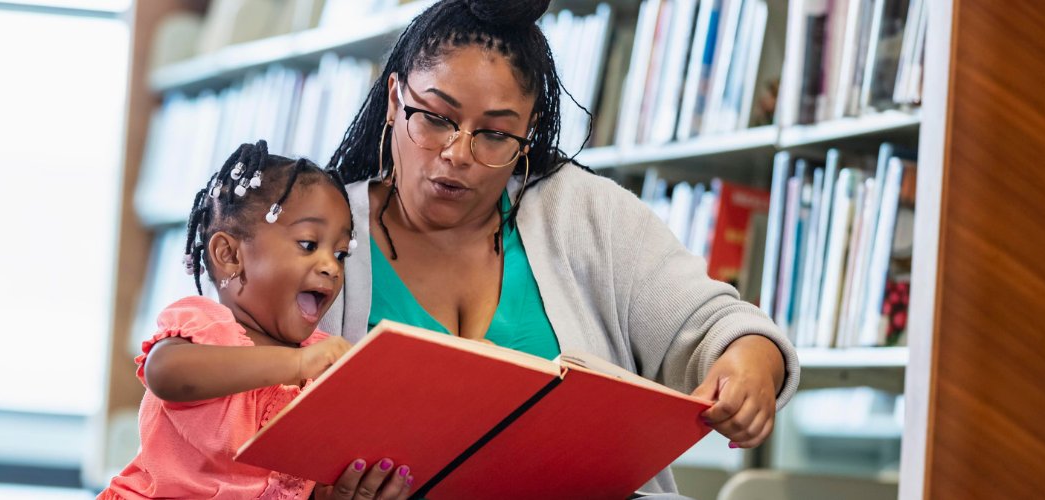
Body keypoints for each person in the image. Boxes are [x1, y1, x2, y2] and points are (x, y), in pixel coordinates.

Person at [316, 0, 802, 496]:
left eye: (494, 134)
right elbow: (246, 433)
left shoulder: (582, 211)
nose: (458, 154)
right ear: (396, 101)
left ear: (527, 137)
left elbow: (720, 325)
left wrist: (749, 364)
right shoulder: (312, 229)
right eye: (436, 118)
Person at [101, 141, 413, 500]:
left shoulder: (320, 366)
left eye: (341, 253)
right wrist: (294, 362)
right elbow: (165, 373)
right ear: (229, 255)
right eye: (309, 245)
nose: (331, 266)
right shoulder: (205, 326)